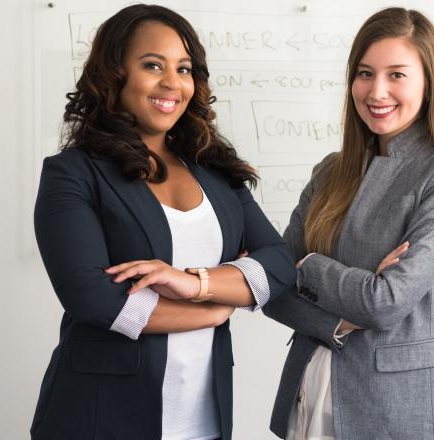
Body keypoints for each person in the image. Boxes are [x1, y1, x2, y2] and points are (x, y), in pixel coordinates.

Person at [29, 4, 296, 439]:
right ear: (115, 74)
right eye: (153, 65)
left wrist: (197, 285)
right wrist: (213, 312)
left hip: (203, 421)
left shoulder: (216, 173)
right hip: (101, 418)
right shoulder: (74, 173)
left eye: (184, 68)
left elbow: (280, 263)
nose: (173, 83)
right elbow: (92, 297)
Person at [263, 7, 434, 440]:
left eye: (396, 74)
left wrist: (307, 265)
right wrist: (337, 322)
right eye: (365, 73)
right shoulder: (330, 171)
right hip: (310, 382)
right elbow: (270, 288)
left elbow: (385, 303)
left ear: (428, 81)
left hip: (399, 403)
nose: (377, 91)